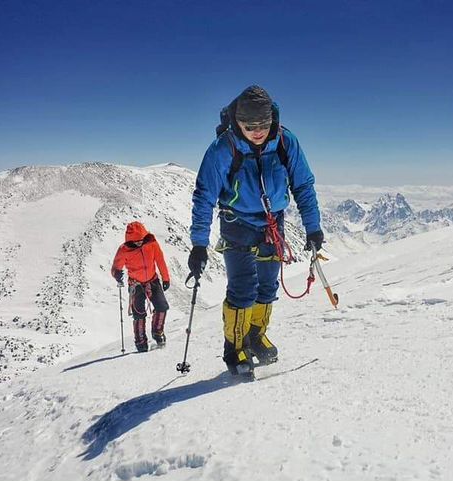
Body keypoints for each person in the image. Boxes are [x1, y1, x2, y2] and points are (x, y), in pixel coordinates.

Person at [187, 85, 324, 376]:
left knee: (267, 285)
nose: (258, 131)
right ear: (237, 122)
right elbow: (204, 195)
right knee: (243, 288)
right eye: (250, 126)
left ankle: (255, 337)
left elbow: (302, 186)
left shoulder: (286, 141)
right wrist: (199, 243)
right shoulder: (223, 148)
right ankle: (234, 347)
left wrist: (313, 228)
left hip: (273, 223)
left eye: (263, 125)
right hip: (237, 223)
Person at [112, 221, 171, 352]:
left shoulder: (152, 244)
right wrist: (117, 274)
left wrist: (166, 278)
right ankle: (140, 342)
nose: (139, 242)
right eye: (136, 241)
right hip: (136, 285)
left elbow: (160, 260)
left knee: (162, 306)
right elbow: (116, 266)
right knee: (138, 313)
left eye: (141, 240)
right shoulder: (124, 250)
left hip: (152, 281)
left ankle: (158, 332)